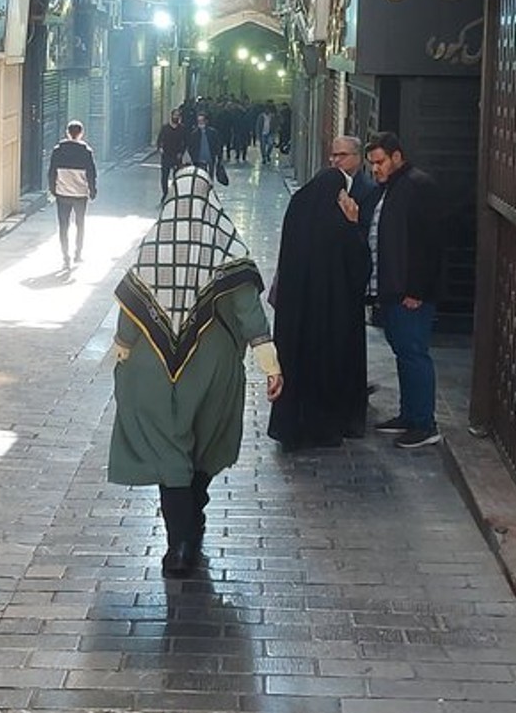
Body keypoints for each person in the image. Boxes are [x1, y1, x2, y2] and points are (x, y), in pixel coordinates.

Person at [107, 165, 282, 577]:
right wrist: (270, 366)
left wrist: (122, 352)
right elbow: (249, 312)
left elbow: (131, 312)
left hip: (154, 368)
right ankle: (191, 521)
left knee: (169, 450)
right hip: (213, 367)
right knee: (203, 445)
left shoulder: (154, 246)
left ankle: (178, 546)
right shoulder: (227, 247)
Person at [267, 147, 371, 452]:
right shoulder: (340, 225)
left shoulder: (299, 211)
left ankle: (291, 427)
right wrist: (354, 226)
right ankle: (323, 427)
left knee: (296, 368)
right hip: (330, 316)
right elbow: (360, 269)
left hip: (296, 315)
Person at [364, 130, 444, 448]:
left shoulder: (419, 186)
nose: (375, 169)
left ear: (397, 156)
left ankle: (424, 423)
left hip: (410, 292)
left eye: (380, 162)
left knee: (413, 353)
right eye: (372, 164)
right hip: (390, 289)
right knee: (403, 352)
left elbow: (429, 244)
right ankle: (409, 415)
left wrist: (417, 290)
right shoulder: (388, 189)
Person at [46, 119, 97, 272]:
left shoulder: (58, 150)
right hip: (80, 194)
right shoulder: (86, 151)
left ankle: (65, 257)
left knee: (63, 226)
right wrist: (92, 191)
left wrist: (53, 190)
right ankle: (78, 254)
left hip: (62, 193)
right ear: (81, 133)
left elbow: (51, 172)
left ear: (67, 133)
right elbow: (91, 174)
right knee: (80, 224)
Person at [156, 107, 187, 199]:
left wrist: (181, 152)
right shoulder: (165, 128)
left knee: (177, 175)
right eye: (175, 115)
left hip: (177, 156)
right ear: (171, 116)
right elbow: (159, 140)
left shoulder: (182, 129)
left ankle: (176, 193)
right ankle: (165, 193)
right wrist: (160, 148)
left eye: (178, 115)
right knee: (164, 176)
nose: (176, 117)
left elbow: (185, 142)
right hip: (166, 155)